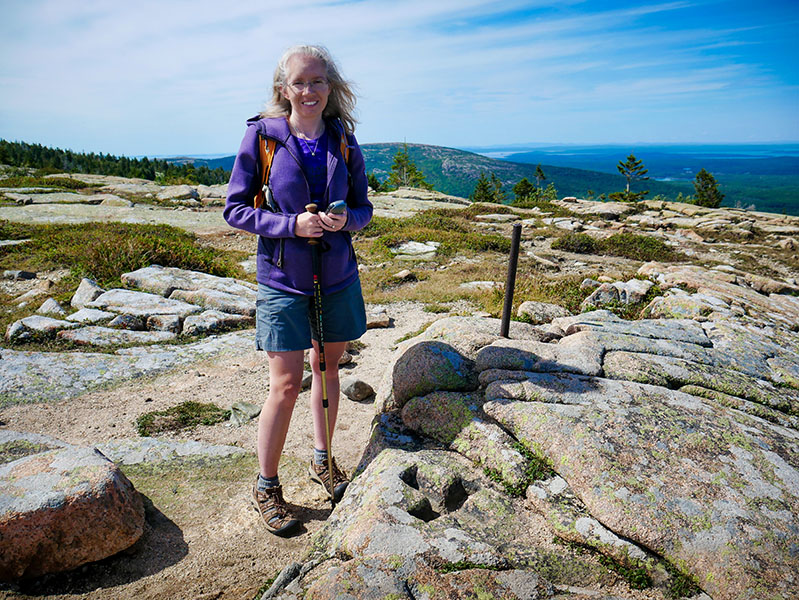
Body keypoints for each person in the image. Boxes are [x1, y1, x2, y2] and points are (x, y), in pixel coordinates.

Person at [223, 44, 372, 536]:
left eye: (317, 82)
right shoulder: (261, 137)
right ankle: (266, 485)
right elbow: (235, 210)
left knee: (328, 367)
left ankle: (322, 460)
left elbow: (364, 208)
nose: (308, 91)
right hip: (283, 279)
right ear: (283, 89)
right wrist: (291, 225)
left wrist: (346, 218)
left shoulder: (343, 139)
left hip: (335, 276)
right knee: (285, 385)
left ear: (331, 88)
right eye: (299, 82)